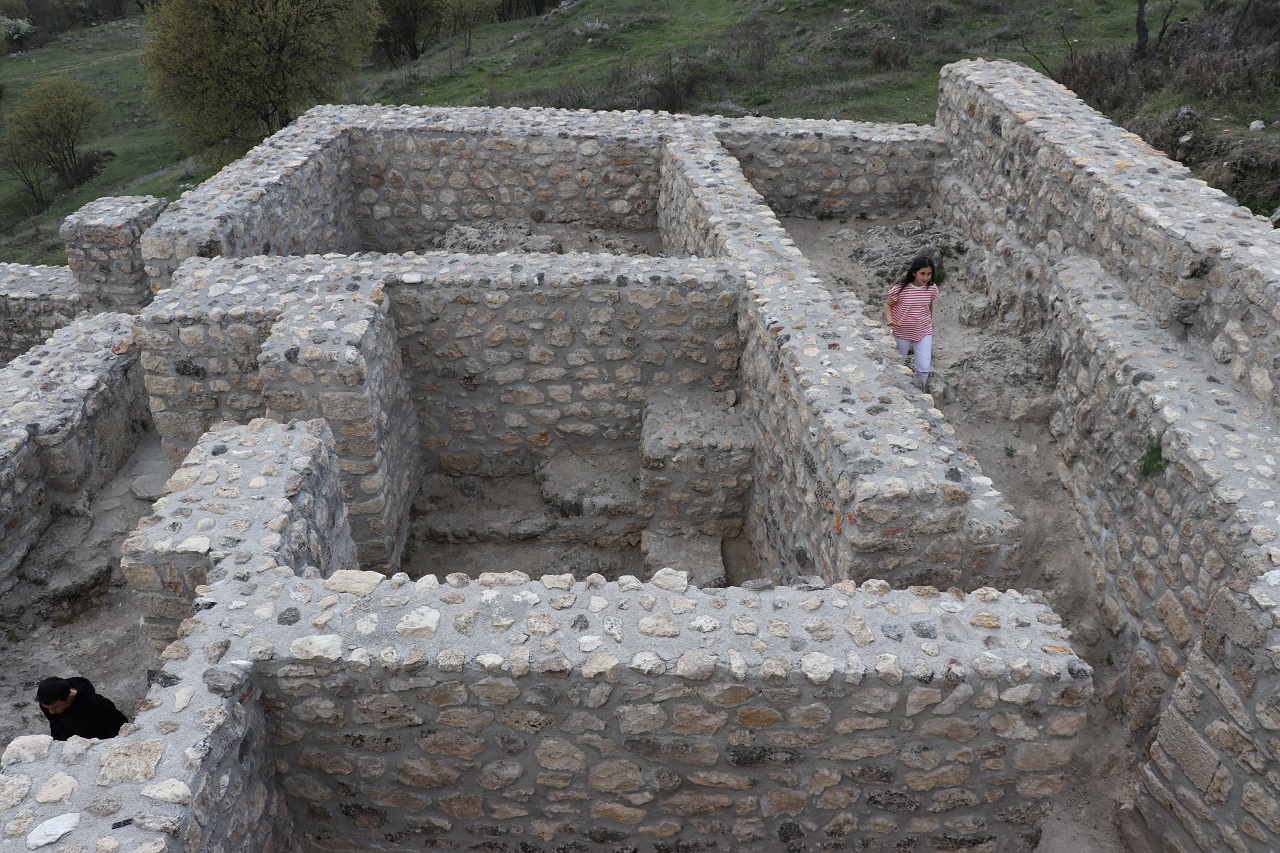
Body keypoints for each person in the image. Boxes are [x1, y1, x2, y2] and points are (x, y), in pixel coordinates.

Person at [884, 255, 940, 391]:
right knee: (897, 364)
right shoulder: (901, 288)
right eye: (922, 273)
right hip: (901, 332)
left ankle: (918, 393)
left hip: (923, 332)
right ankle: (896, 390)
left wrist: (928, 320)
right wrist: (890, 320)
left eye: (929, 274)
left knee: (924, 368)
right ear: (914, 272)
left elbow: (929, 305)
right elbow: (888, 305)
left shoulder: (931, 288)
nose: (926, 277)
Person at [36, 676, 128, 741]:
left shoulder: (96, 703)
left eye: (55, 707)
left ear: (69, 697)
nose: (51, 712)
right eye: (47, 708)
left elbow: (120, 724)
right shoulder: (47, 705)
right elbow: (56, 727)